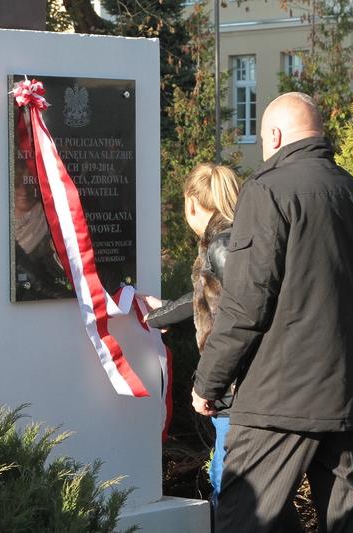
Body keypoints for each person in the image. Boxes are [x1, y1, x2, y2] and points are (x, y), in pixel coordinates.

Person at [191, 92, 353, 532]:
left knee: (242, 519)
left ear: (276, 135)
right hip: (347, 397)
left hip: (277, 400)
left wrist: (208, 381)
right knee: (347, 525)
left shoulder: (267, 191)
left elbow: (246, 304)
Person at [143, 162, 241, 507]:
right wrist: (161, 314)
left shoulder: (223, 244)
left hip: (235, 391)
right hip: (238, 389)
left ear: (193, 204)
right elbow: (206, 297)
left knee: (228, 486)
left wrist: (209, 385)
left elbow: (236, 318)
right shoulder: (232, 235)